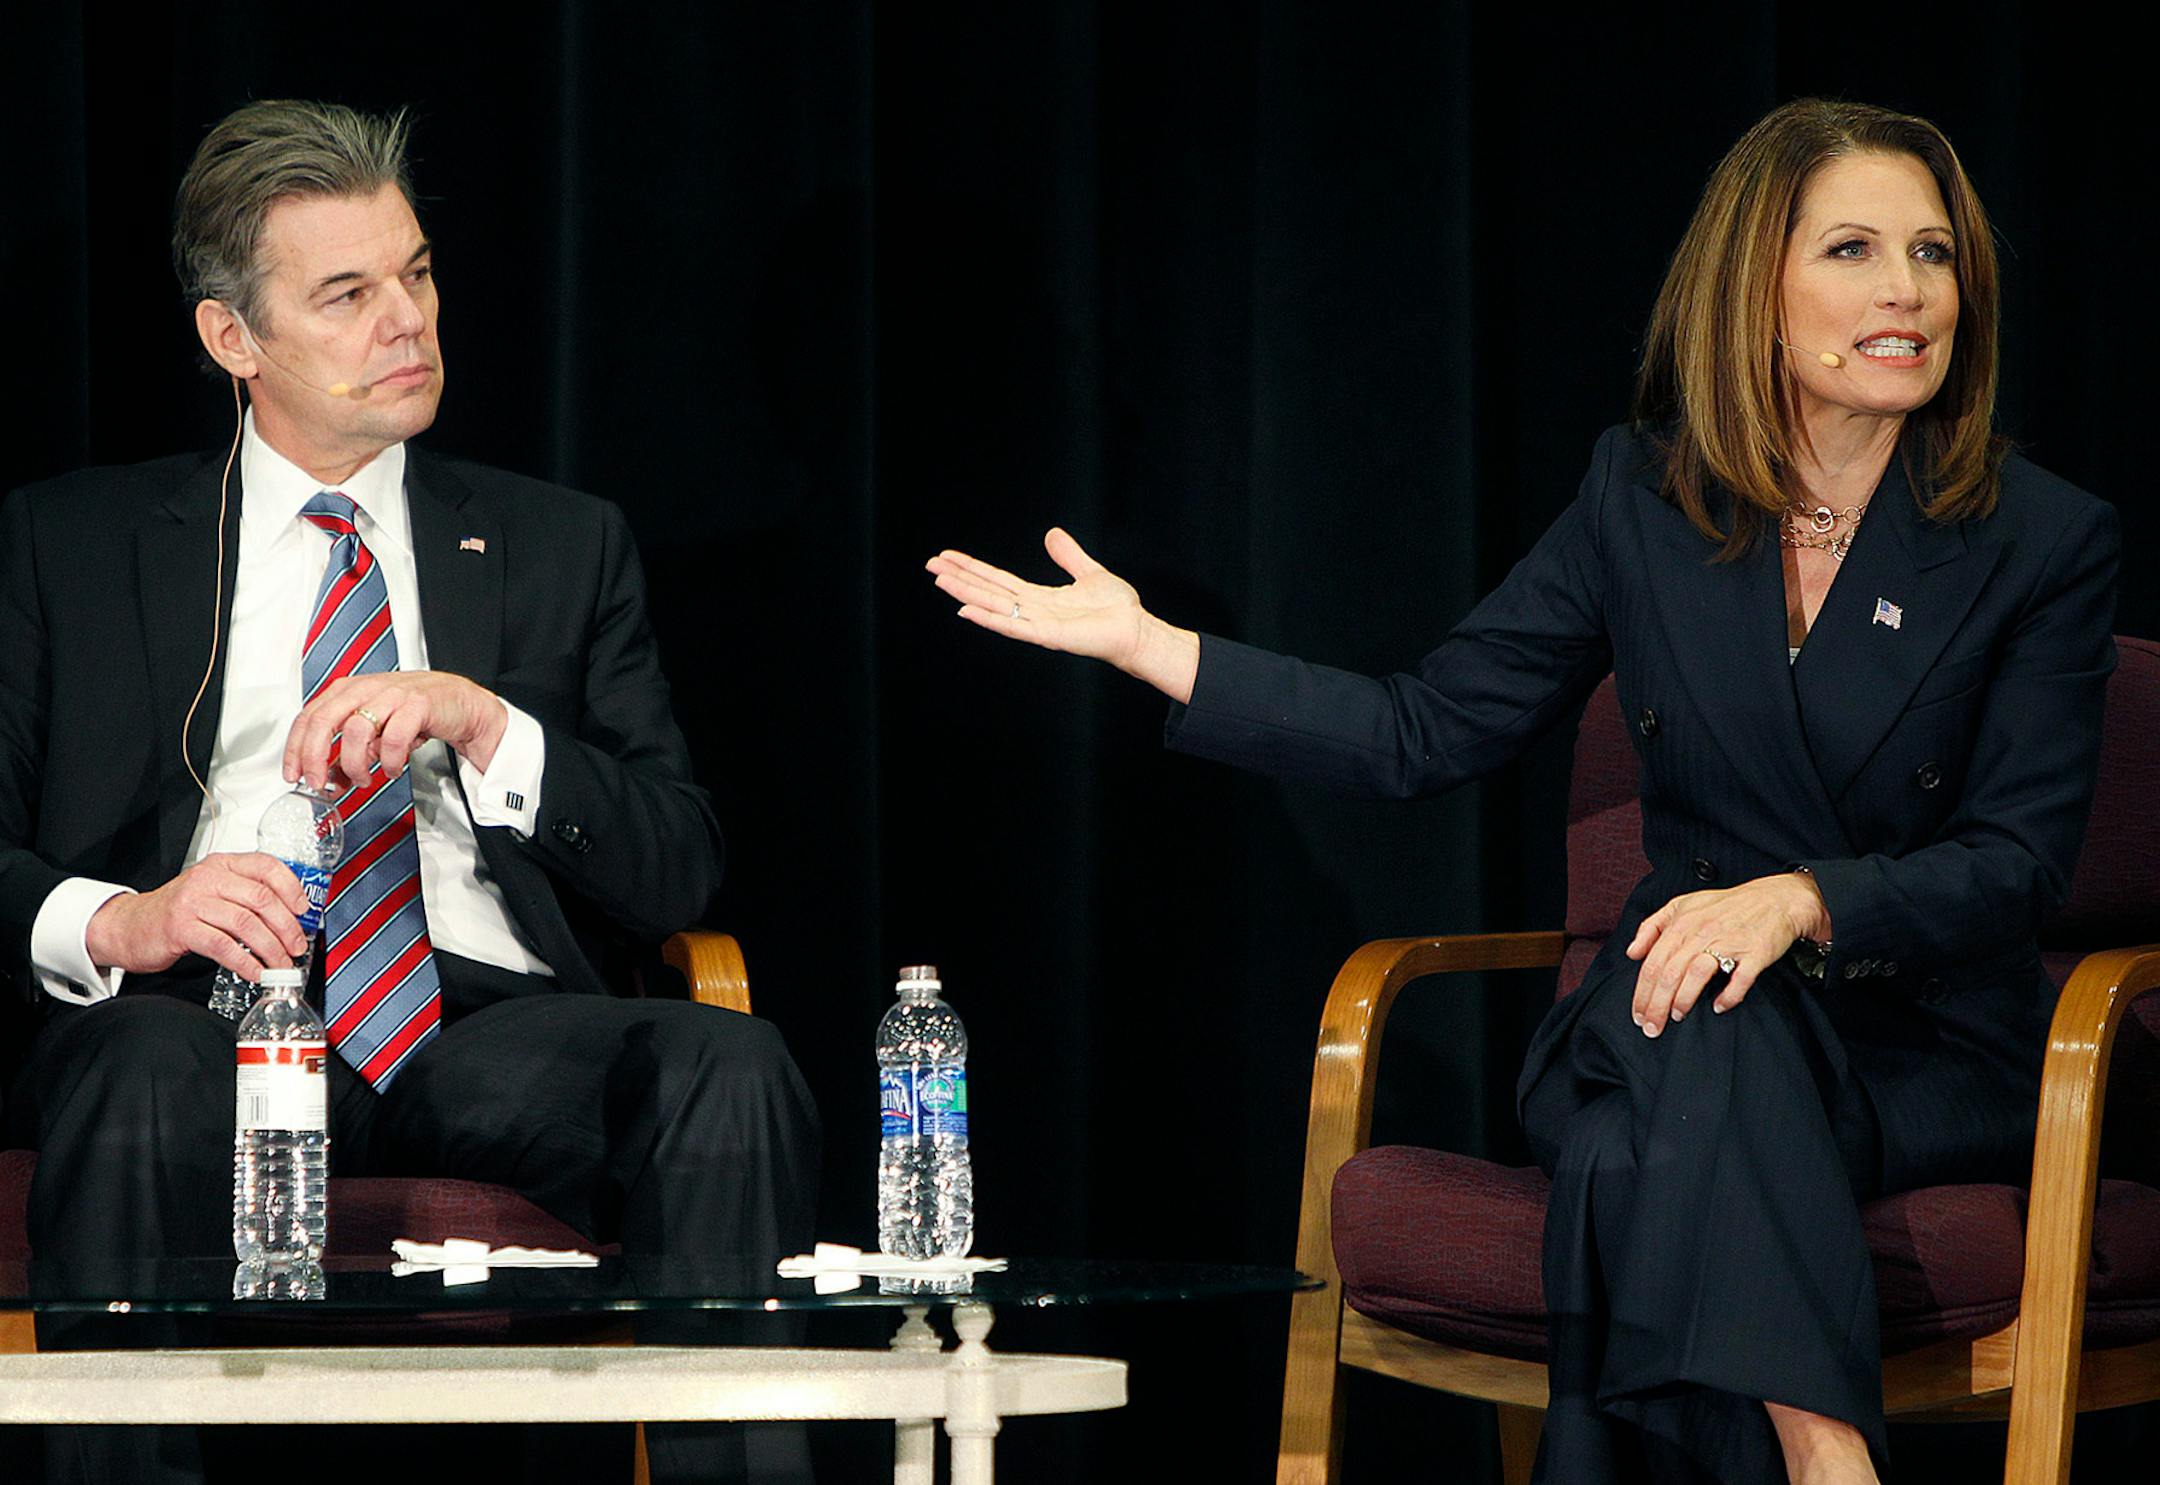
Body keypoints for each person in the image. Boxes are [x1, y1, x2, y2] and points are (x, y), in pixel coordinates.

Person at [928, 98, 2118, 1484]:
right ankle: (1826, 1457)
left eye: (1933, 251)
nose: (1907, 289)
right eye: (1853, 249)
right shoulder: (1644, 498)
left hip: (1911, 1052)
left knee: (1626, 1150)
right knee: (1703, 1014)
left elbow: (2016, 865)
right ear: (1756, 289)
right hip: (1670, 1009)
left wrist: (1801, 901)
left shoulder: (2040, 539)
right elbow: (1422, 729)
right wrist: (1155, 647)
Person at [0, 100, 819, 1484]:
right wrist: (125, 919)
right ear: (233, 339)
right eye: (348, 294)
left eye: (419, 274)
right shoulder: (70, 542)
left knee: (726, 1061)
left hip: (480, 1025)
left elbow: (680, 862)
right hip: (196, 1018)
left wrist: (490, 726)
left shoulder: (560, 544)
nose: (409, 322)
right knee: (138, 1066)